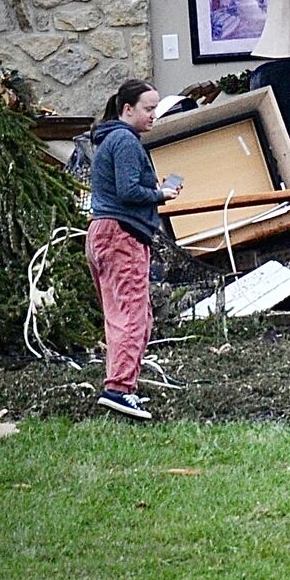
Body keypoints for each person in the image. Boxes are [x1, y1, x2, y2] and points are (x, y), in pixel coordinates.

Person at [87, 79, 181, 421]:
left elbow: (121, 186)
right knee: (133, 316)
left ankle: (122, 387)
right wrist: (160, 195)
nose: (154, 115)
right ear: (127, 109)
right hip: (122, 235)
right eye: (148, 108)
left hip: (102, 232)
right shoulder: (125, 140)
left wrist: (152, 188)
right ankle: (119, 389)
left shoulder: (110, 139)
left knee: (122, 315)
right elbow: (128, 191)